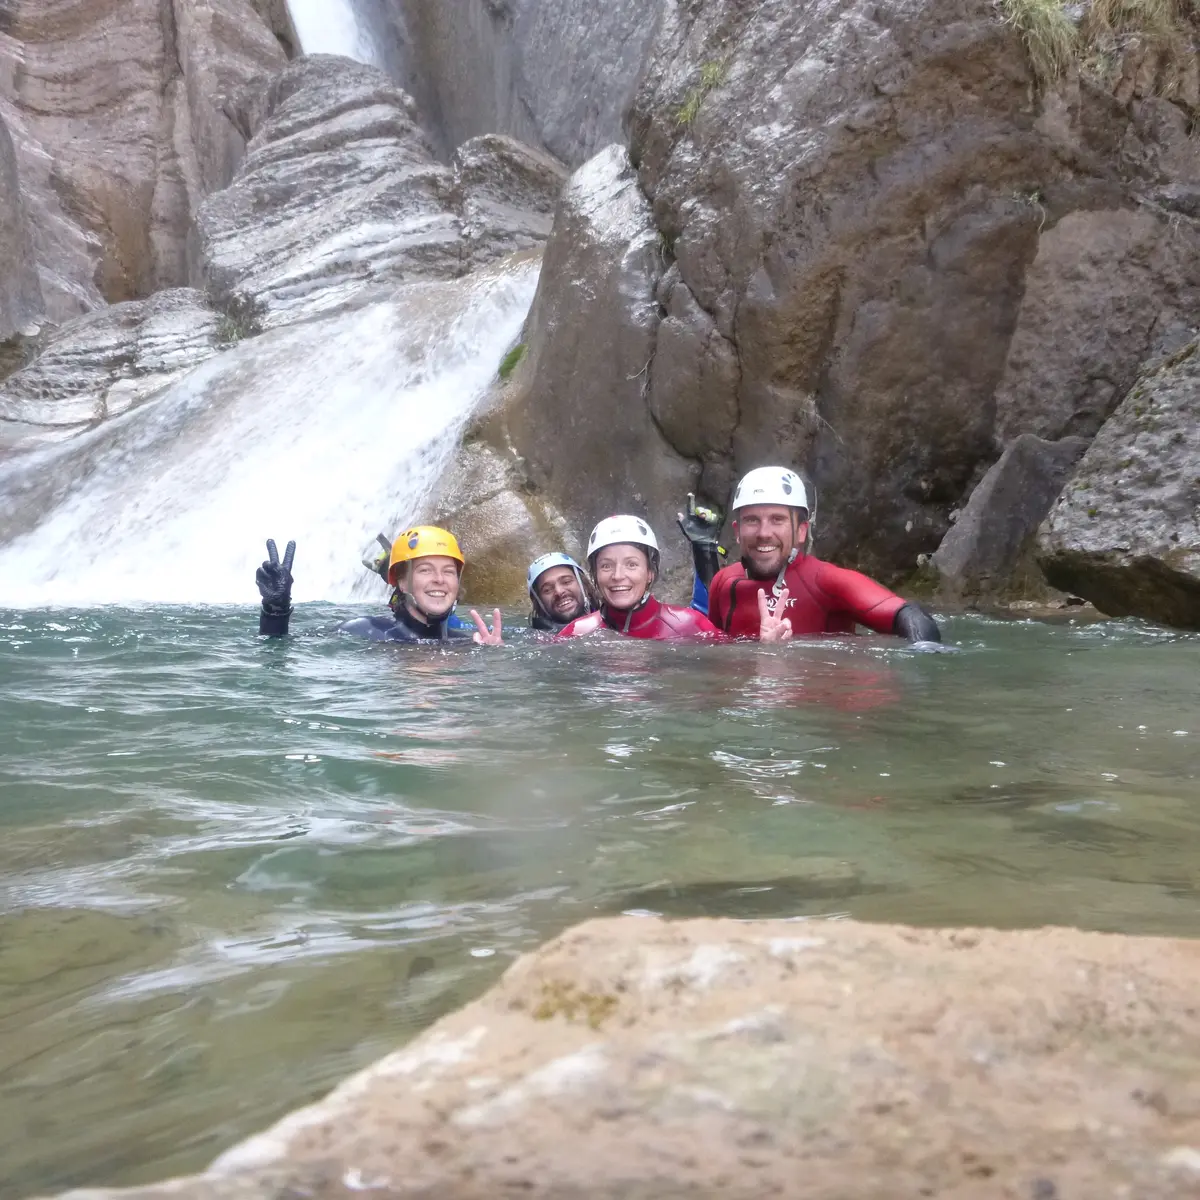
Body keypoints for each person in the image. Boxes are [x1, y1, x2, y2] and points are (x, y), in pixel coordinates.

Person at [679, 467, 941, 643]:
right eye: (752, 521)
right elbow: (711, 651)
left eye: (777, 520)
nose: (763, 533)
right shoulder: (723, 583)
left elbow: (911, 617)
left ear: (801, 531)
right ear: (737, 531)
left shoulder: (827, 581)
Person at [256, 527, 502, 644]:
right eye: (425, 570)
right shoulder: (362, 631)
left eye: (448, 572)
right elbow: (282, 649)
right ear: (402, 582)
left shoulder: (472, 645)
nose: (439, 579)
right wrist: (275, 613)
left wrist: (496, 659)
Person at [557, 516, 726, 641]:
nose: (617, 576)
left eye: (631, 564)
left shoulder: (691, 626)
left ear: (650, 572)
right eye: (606, 566)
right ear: (594, 574)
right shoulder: (574, 634)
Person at [526, 552, 596, 632]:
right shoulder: (535, 641)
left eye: (566, 582)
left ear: (583, 585)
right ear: (539, 602)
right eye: (547, 590)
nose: (559, 592)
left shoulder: (610, 620)